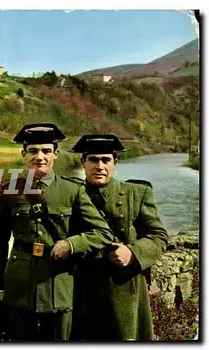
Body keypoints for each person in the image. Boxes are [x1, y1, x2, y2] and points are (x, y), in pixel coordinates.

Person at [0, 124, 115, 341]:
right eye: (33, 151)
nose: (39, 157)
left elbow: (104, 233)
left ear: (55, 154)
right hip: (19, 286)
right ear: (23, 154)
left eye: (46, 151)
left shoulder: (72, 190)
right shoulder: (9, 189)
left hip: (58, 284)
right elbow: (0, 241)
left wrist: (72, 244)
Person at [70, 134, 168, 341]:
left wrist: (132, 252)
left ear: (115, 163)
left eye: (106, 160)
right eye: (93, 160)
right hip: (82, 291)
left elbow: (158, 236)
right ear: (83, 162)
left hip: (125, 288)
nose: (99, 166)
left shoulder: (137, 193)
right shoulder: (68, 195)